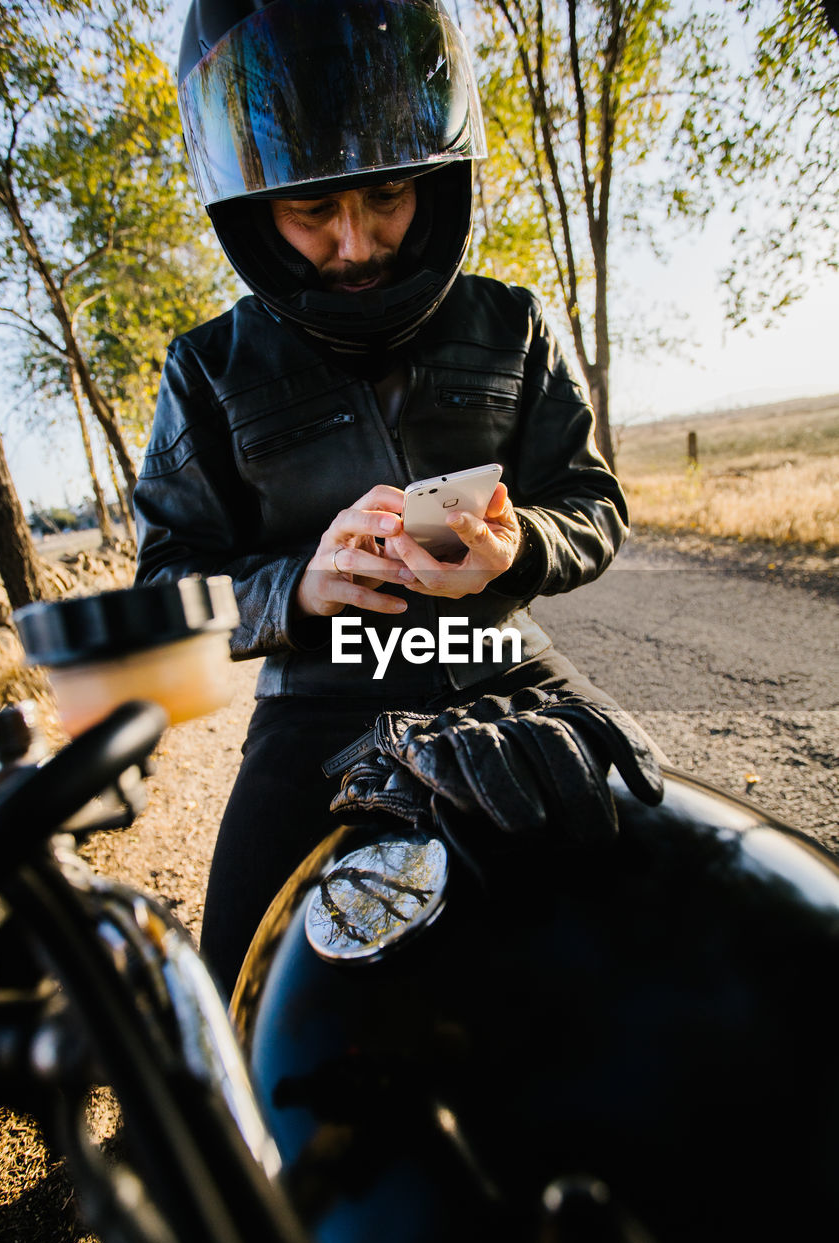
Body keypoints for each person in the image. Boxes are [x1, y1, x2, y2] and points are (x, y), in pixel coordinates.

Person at [134, 0, 630, 998]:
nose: (356, 243)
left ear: (437, 181)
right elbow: (165, 584)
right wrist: (298, 589)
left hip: (496, 654)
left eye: (390, 194)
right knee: (237, 984)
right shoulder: (206, 367)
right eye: (313, 212)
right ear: (253, 210)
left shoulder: (517, 323)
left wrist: (520, 544)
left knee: (681, 878)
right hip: (313, 701)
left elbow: (591, 502)